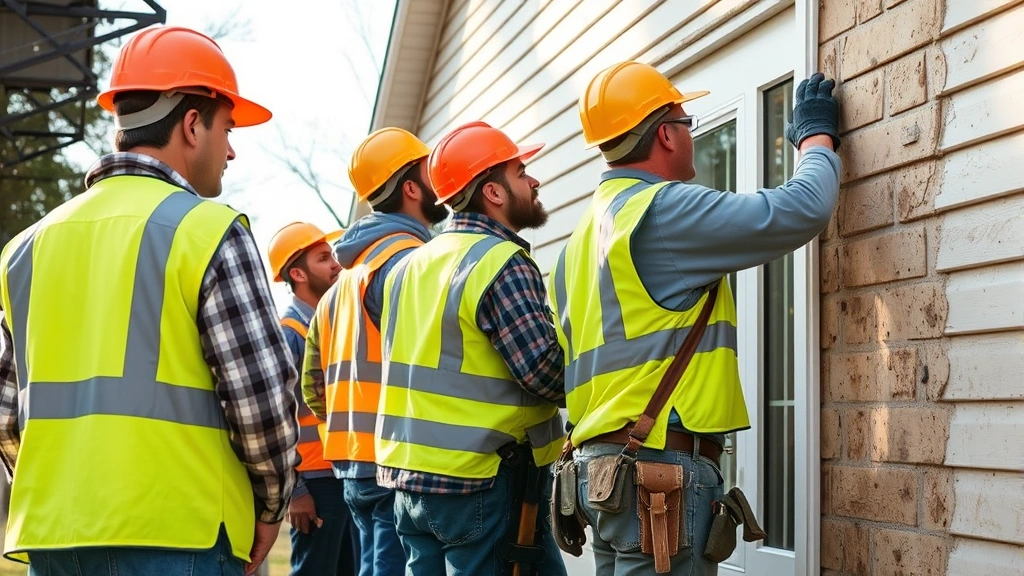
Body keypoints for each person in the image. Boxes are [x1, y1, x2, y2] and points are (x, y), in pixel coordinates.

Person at [0, 26, 299, 576]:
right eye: (227, 129)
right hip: (179, 533)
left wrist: (61, 493)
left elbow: (6, 414)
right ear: (192, 124)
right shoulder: (209, 231)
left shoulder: (26, 247)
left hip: (53, 532)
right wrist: (272, 501)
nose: (231, 149)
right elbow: (261, 399)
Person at [549, 61, 842, 575]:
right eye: (688, 123)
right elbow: (800, 210)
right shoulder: (662, 211)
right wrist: (815, 140)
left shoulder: (582, 238)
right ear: (666, 134)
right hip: (656, 475)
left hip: (602, 475)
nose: (692, 133)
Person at [375, 121, 567, 576]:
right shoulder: (500, 262)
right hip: (483, 482)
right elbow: (546, 373)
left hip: (410, 482)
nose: (534, 180)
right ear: (494, 193)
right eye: (521, 173)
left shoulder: (406, 266)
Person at [301, 127, 446, 576]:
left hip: (350, 462)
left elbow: (312, 386)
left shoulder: (342, 283)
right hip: (394, 460)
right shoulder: (408, 263)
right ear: (410, 187)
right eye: (429, 170)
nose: (439, 179)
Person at [267, 222, 361, 575]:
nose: (336, 264)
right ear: (298, 274)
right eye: (323, 258)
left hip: (341, 476)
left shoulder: (329, 327)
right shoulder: (290, 335)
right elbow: (275, 420)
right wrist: (296, 491)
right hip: (314, 485)